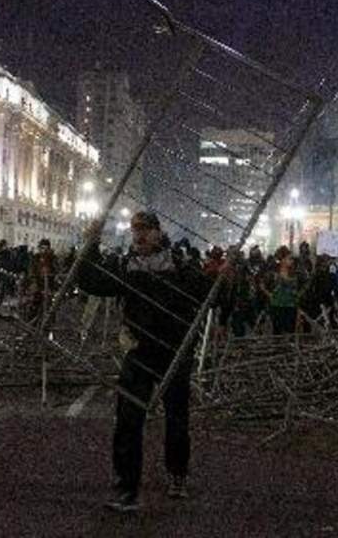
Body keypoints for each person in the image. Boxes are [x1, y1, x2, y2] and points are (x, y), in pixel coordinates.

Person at [77, 211, 212, 512]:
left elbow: (208, 295)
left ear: (158, 232)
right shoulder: (126, 265)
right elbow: (91, 281)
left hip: (174, 350)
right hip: (139, 350)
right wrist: (91, 242)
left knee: (177, 416)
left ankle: (177, 473)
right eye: (135, 229)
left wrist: (227, 278)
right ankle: (127, 487)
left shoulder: (180, 265)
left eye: (145, 229)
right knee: (128, 418)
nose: (139, 235)